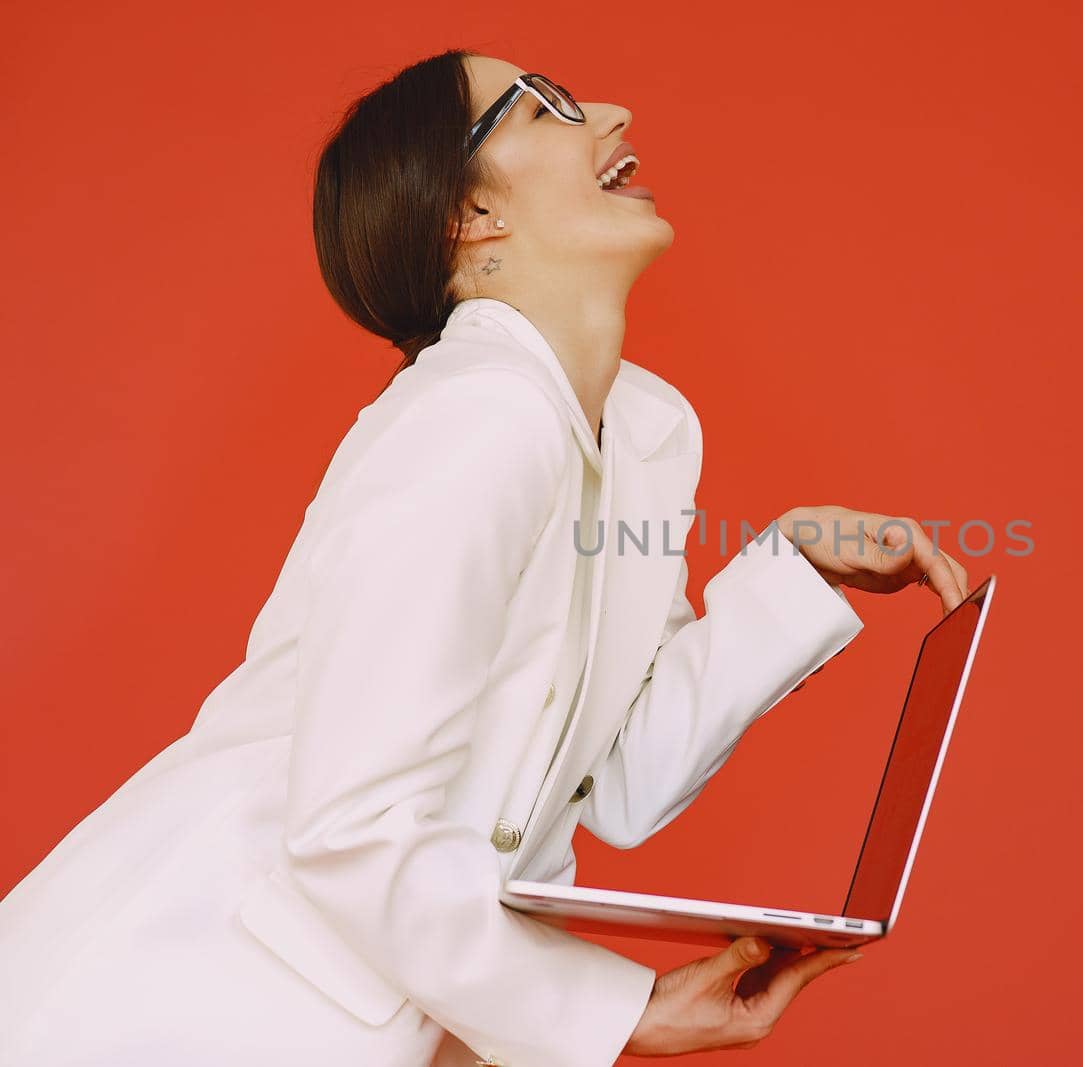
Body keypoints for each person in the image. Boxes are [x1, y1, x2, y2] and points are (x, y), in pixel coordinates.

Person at [0, 49, 968, 1067]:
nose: (609, 109)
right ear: (467, 217)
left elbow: (622, 778)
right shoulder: (475, 417)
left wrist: (795, 573)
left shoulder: (642, 430)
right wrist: (610, 1012)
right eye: (542, 106)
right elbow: (350, 823)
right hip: (166, 997)